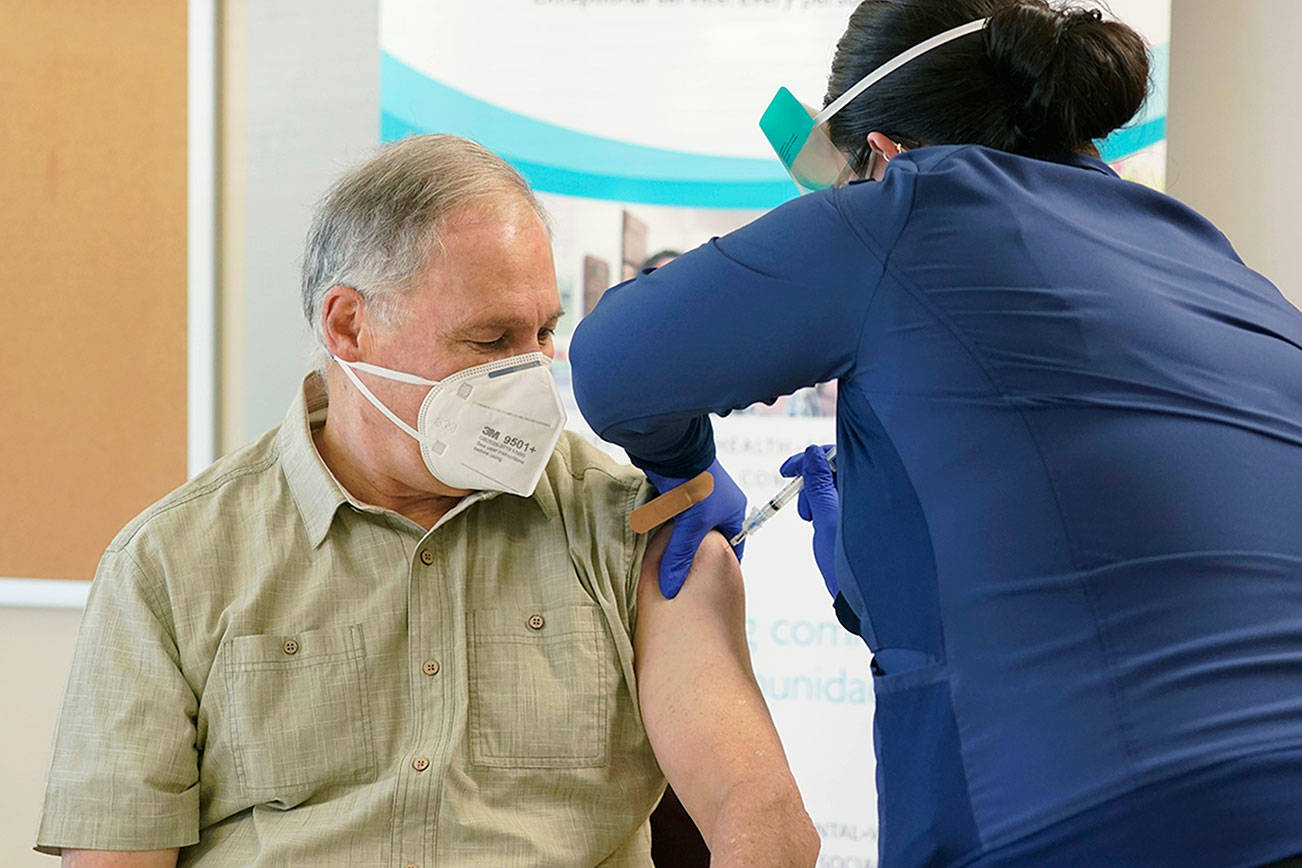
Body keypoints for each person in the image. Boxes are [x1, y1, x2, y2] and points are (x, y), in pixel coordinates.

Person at [569, 1, 1302, 866]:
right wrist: (874, 572)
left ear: (876, 153)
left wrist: (683, 462)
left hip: (1088, 817)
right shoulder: (1204, 253)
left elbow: (614, 362)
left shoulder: (909, 210)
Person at [35, 135, 819, 867]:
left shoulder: (630, 529)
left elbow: (762, 810)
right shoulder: (173, 564)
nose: (527, 377)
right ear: (348, 325)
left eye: (541, 333)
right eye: (488, 341)